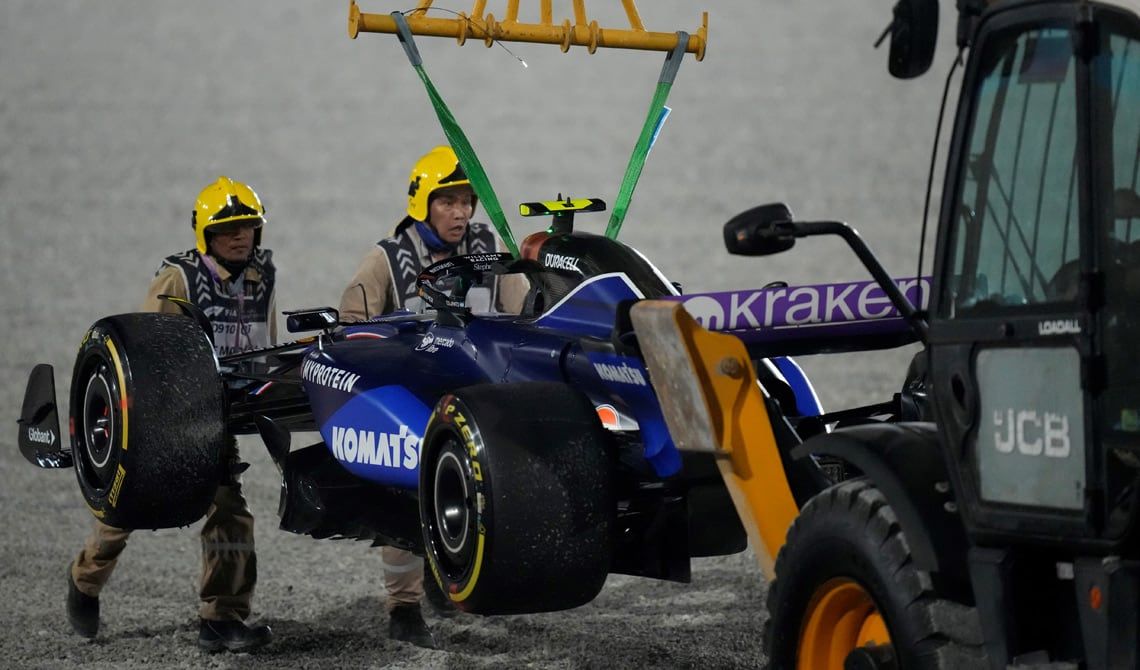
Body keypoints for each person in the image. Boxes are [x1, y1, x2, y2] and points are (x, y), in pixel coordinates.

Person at [66, 176, 277, 653]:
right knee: (125, 511)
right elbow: (146, 350)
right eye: (228, 230)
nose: (240, 236)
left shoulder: (263, 274)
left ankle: (221, 617)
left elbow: (263, 339)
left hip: (218, 419)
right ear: (206, 236)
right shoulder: (178, 280)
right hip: (167, 420)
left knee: (229, 514)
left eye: (248, 227)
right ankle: (84, 580)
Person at [338, 145, 528, 648]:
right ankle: (403, 608)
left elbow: (521, 316)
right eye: (448, 202)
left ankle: (452, 579)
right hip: (411, 405)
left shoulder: (492, 249)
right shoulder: (388, 259)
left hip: (477, 406)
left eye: (466, 201)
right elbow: (351, 330)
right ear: (423, 203)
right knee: (404, 499)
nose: (461, 212)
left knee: (474, 496)